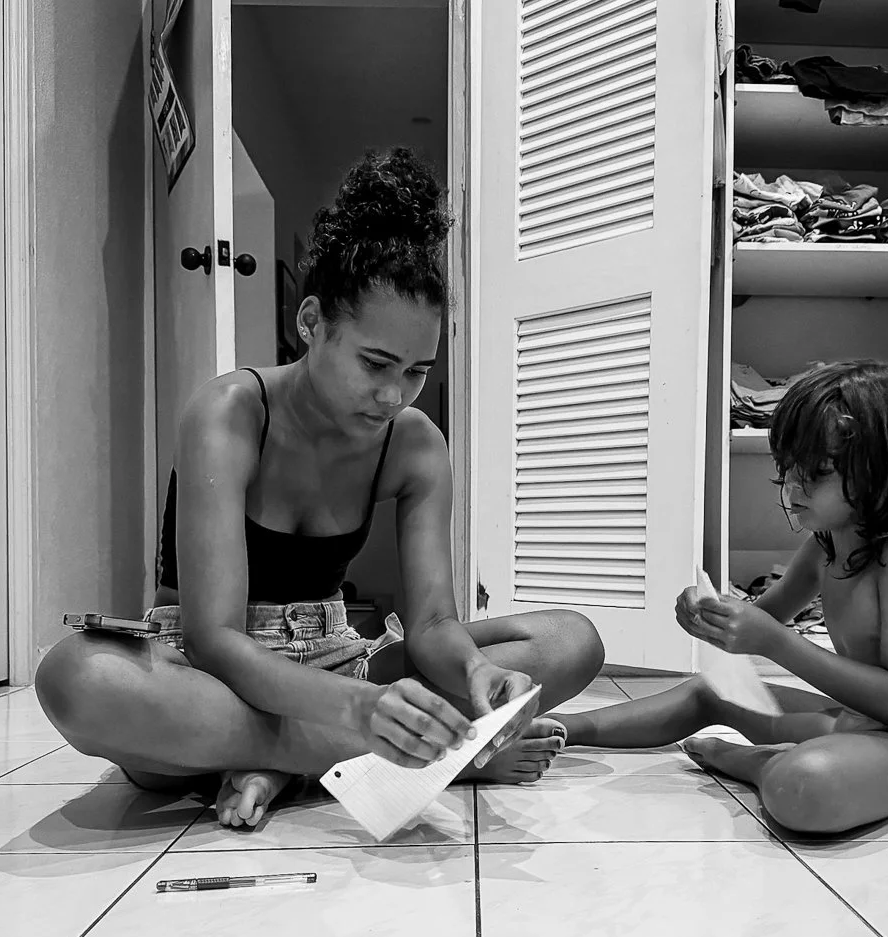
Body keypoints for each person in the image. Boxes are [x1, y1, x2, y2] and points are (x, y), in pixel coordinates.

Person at [36, 148, 603, 826]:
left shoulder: (414, 443)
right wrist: (364, 715)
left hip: (336, 666)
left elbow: (431, 625)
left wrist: (474, 677)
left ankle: (289, 760)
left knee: (571, 639)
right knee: (76, 676)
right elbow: (215, 637)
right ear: (311, 322)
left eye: (417, 371)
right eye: (374, 363)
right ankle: (395, 752)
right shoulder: (228, 413)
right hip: (207, 677)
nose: (393, 394)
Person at [554, 359, 888, 835]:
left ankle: (755, 763)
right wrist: (713, 617)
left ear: (882, 469)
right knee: (713, 688)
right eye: (788, 467)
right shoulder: (827, 542)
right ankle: (564, 729)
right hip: (859, 723)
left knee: (803, 785)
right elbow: (758, 623)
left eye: (817, 472)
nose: (792, 487)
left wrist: (774, 643)